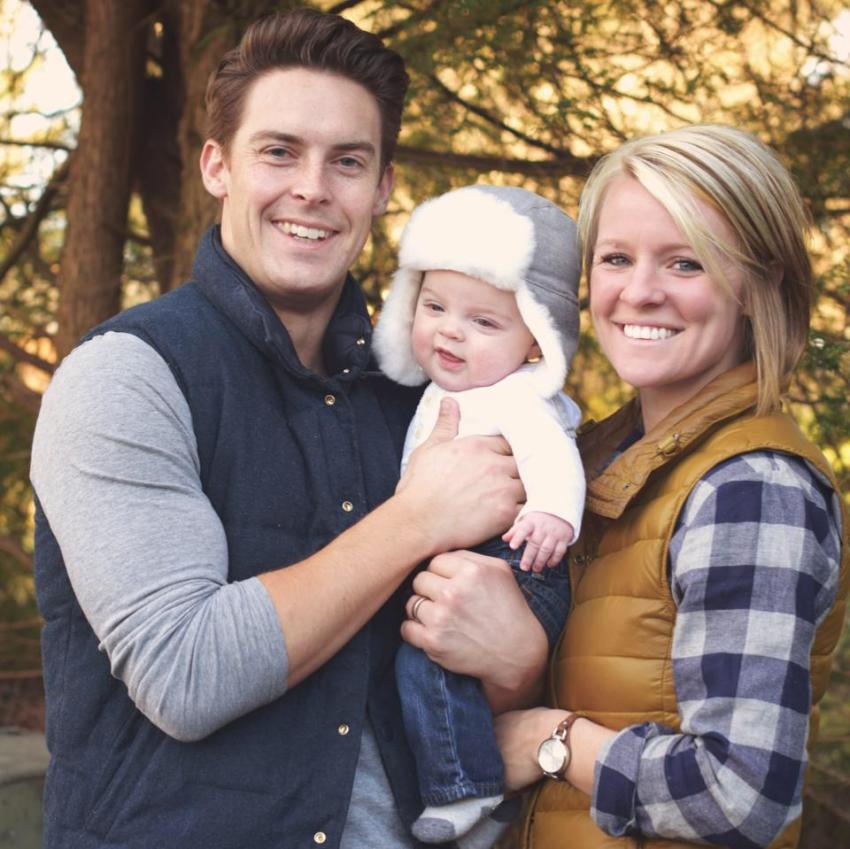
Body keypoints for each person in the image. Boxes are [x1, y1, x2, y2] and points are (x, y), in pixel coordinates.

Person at [29, 10, 545, 849]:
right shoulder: (126, 376)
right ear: (217, 166)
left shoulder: (419, 403)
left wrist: (519, 657)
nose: (312, 187)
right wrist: (414, 519)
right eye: (279, 151)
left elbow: (453, 674)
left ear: (380, 189)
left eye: (348, 161)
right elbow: (184, 673)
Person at [480, 124, 848, 849]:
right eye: (616, 258)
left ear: (756, 284)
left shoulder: (751, 486)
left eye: (685, 263)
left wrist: (551, 740)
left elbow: (740, 794)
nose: (639, 292)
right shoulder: (592, 460)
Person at [372, 185, 585, 844]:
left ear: (533, 343)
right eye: (433, 307)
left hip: (521, 562)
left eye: (484, 322)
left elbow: (553, 454)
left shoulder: (517, 395)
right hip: (462, 564)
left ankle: (465, 789)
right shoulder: (437, 392)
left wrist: (553, 512)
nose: (451, 330)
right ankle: (468, 784)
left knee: (428, 666)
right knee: (422, 665)